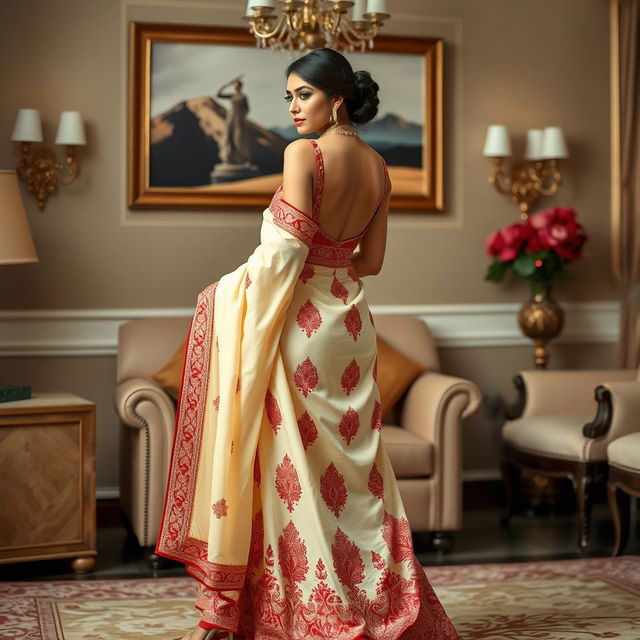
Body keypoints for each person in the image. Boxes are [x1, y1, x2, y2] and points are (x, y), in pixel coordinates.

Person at [157, 47, 459, 640]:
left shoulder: (306, 154)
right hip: (348, 325)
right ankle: (374, 599)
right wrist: (333, 258)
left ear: (336, 98)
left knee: (292, 466)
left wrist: (221, 292)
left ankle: (309, 609)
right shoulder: (377, 165)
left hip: (300, 323)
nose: (294, 108)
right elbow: (370, 263)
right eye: (289, 97)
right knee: (355, 473)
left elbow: (285, 254)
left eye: (305, 95)